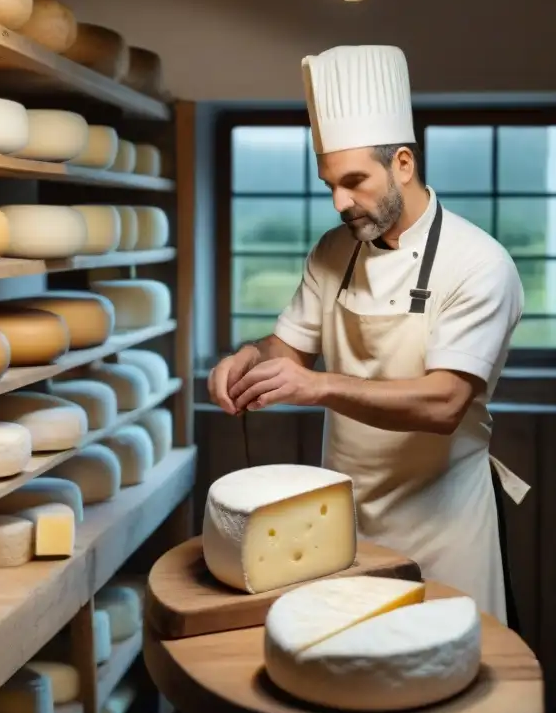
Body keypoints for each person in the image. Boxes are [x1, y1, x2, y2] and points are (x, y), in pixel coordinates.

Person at [208, 45, 527, 627]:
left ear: (403, 163)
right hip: (343, 524)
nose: (339, 202)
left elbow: (444, 402)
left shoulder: (479, 263)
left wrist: (319, 386)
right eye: (329, 183)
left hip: (446, 525)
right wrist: (249, 357)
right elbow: (291, 346)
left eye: (355, 181)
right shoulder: (334, 250)